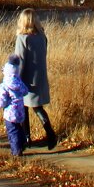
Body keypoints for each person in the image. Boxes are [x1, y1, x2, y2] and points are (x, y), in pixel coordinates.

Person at [14, 8, 58, 150]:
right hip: (40, 77)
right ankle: (50, 134)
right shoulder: (42, 37)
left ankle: (27, 138)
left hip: (27, 79)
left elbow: (19, 61)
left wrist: (16, 81)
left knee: (23, 107)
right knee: (37, 107)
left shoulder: (22, 38)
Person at [0, 54, 29, 156]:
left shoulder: (4, 85)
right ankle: (23, 143)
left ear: (6, 72)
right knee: (19, 129)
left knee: (12, 132)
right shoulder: (19, 82)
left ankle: (16, 151)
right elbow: (25, 92)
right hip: (20, 112)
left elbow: (1, 100)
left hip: (10, 113)